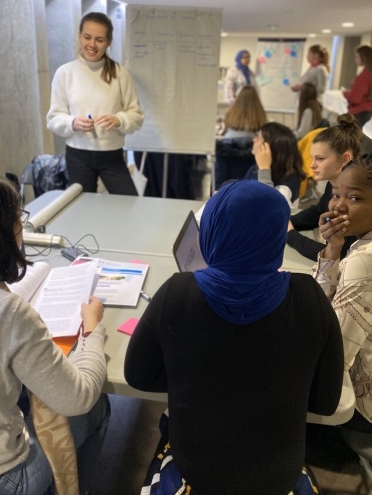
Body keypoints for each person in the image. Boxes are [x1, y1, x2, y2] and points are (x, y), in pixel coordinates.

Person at [124, 180, 344, 495]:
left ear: (211, 232)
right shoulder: (310, 297)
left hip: (195, 472)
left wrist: (193, 380)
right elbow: (325, 402)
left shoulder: (177, 292)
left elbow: (138, 376)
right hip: (279, 476)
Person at [0, 171, 110, 494]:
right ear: (4, 233)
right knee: (97, 406)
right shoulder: (8, 313)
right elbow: (80, 396)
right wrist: (92, 330)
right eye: (18, 219)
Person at [312, 153, 372, 435]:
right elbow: (322, 305)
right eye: (336, 195)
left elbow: (333, 353)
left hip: (371, 413)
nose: (339, 207)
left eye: (355, 198)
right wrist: (333, 247)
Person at [47, 11, 144, 195]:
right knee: (82, 208)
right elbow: (53, 118)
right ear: (79, 36)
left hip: (112, 155)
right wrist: (72, 123)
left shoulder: (120, 73)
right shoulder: (65, 73)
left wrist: (119, 120)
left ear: (109, 42)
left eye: (99, 39)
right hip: (77, 155)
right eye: (87, 37)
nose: (92, 45)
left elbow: (137, 115)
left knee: (129, 203)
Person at [287, 114, 362, 261]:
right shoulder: (334, 183)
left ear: (345, 159)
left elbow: (337, 254)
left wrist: (290, 235)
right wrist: (286, 222)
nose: (312, 165)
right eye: (312, 157)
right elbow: (319, 211)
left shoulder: (355, 199)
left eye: (320, 158)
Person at [243, 121, 305, 205]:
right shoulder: (254, 169)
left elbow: (269, 206)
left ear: (268, 148)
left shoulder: (290, 179)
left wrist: (264, 170)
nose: (254, 140)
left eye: (258, 137)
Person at [342, 44, 372, 128]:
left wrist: (345, 93)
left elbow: (355, 98)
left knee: (350, 138)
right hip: (369, 109)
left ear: (364, 57)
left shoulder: (365, 75)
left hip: (359, 110)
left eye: (357, 57)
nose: (355, 60)